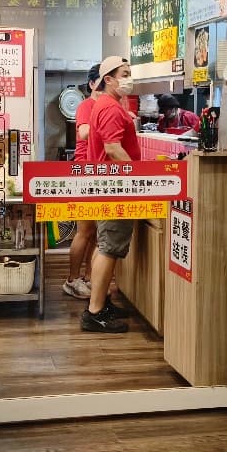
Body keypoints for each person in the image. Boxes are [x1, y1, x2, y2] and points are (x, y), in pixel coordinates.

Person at [82, 56, 140, 333]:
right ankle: (95, 313)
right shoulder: (110, 108)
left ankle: (101, 302)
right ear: (108, 79)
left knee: (104, 244)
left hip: (108, 185)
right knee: (108, 248)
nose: (129, 79)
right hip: (116, 187)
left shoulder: (105, 104)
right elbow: (114, 149)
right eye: (124, 74)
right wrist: (138, 177)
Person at [62, 63, 101, 299]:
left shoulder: (107, 105)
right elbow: (85, 132)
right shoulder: (87, 105)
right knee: (85, 231)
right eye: (103, 80)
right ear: (92, 84)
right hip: (86, 173)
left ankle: (87, 277)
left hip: (100, 174)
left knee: (94, 233)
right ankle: (72, 279)